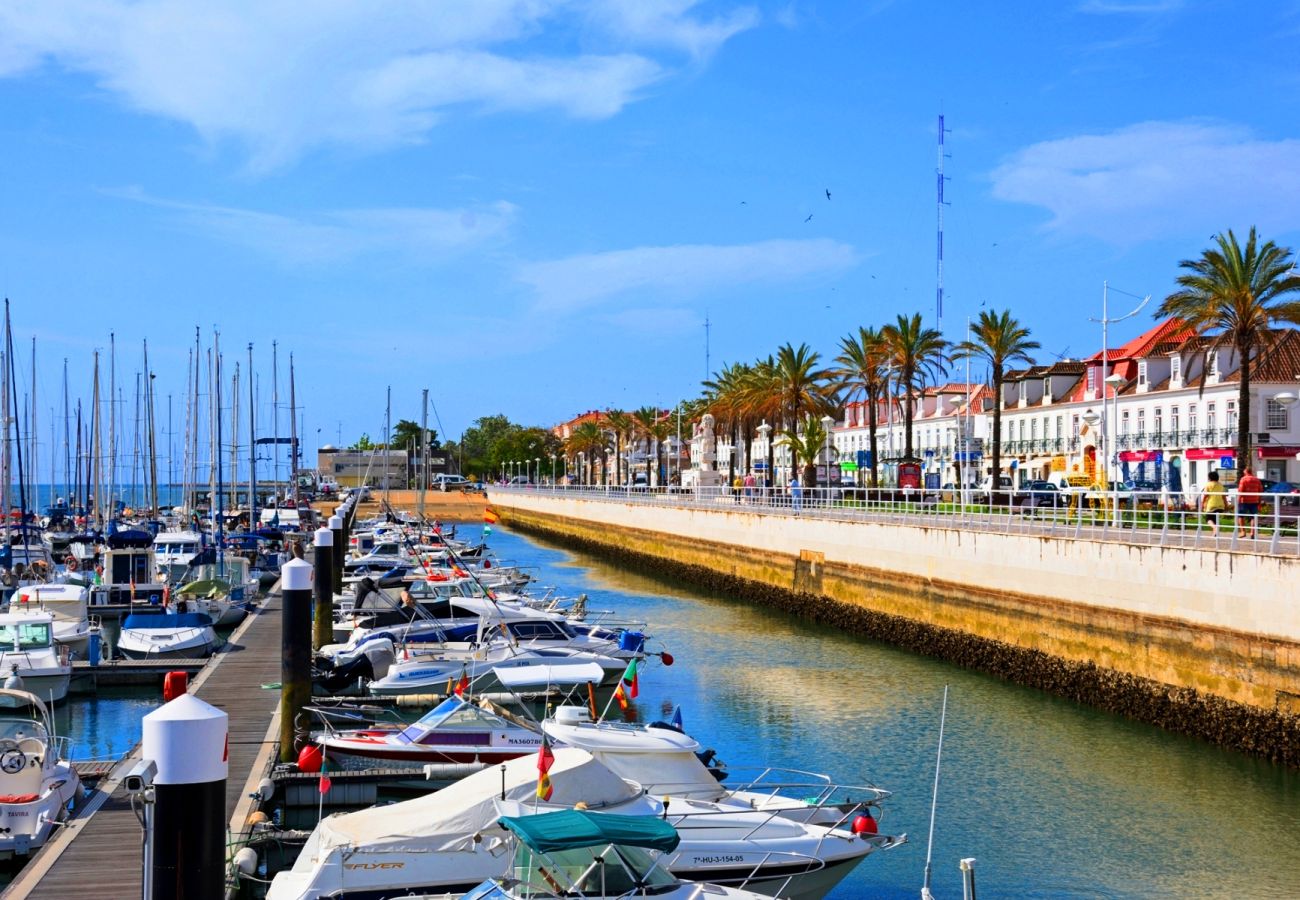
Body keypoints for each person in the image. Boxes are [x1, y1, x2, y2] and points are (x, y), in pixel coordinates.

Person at [1236, 468, 1263, 539]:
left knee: (1241, 516)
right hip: (1254, 500)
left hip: (1244, 501)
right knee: (1253, 517)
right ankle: (1252, 532)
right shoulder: (1257, 480)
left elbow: (1240, 491)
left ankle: (1243, 532)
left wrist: (1238, 501)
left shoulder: (1243, 479)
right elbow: (1260, 492)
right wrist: (1259, 502)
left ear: (1245, 472)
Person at [1201, 470, 1227, 535]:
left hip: (1211, 505)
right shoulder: (1220, 485)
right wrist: (1226, 505)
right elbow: (1224, 497)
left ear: (1209, 478)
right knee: (1215, 519)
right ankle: (1214, 533)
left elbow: (1205, 495)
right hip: (1220, 506)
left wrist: (1202, 504)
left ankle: (1215, 528)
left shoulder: (1208, 485)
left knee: (1208, 519)